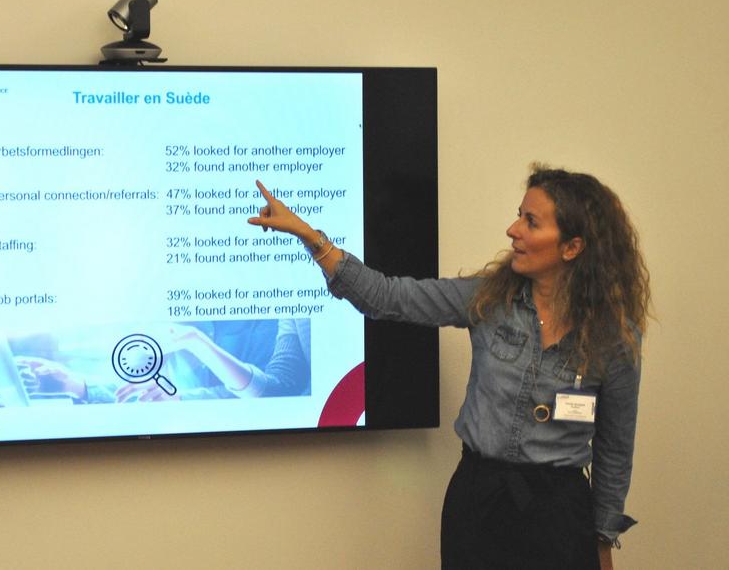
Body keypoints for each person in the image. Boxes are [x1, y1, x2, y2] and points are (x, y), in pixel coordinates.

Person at [248, 165, 648, 570]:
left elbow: (615, 449)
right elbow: (386, 297)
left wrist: (602, 541)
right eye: (519, 216)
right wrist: (310, 236)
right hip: (480, 504)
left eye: (531, 222)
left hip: (560, 517)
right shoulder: (488, 299)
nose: (513, 230)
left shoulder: (614, 337)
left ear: (572, 247)